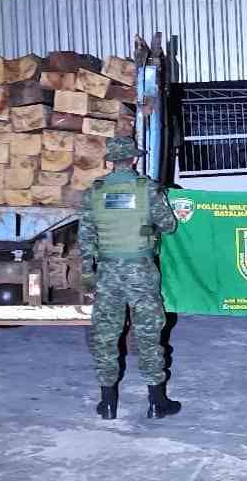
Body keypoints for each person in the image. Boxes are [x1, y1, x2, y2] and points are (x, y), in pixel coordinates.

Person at [78, 136, 181, 420]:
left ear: (109, 161)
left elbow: (85, 239)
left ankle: (108, 404)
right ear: (134, 159)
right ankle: (157, 403)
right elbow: (170, 226)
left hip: (107, 274)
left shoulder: (93, 193)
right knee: (149, 335)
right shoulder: (147, 189)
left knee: (106, 337)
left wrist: (88, 276)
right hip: (141, 272)